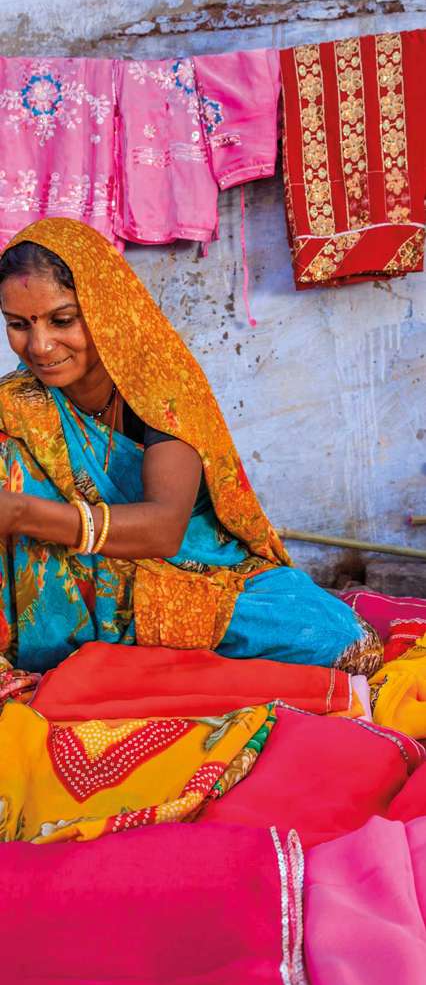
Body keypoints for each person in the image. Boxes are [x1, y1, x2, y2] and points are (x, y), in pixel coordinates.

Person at [0, 218, 381, 674]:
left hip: (194, 572)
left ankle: (121, 652)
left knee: (338, 640)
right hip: (82, 581)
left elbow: (164, 530)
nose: (40, 345)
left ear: (103, 309)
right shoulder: (19, 404)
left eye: (62, 320)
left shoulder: (161, 389)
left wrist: (22, 512)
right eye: (19, 324)